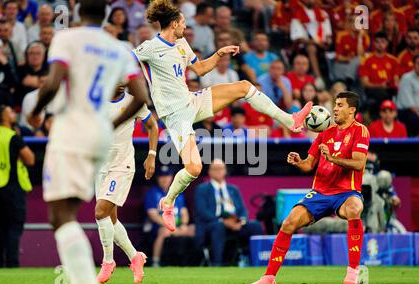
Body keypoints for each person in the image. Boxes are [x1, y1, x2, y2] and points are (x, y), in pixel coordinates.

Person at [132, 0, 313, 233]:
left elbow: (201, 69)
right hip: (175, 115)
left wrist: (219, 53)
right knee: (195, 168)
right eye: (183, 24)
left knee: (244, 87)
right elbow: (123, 63)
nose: (186, 28)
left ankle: (291, 119)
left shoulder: (181, 43)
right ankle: (167, 202)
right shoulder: (149, 48)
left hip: (191, 100)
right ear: (174, 23)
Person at [27, 0, 150, 284]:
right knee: (86, 214)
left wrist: (37, 112)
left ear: (79, 14)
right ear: (105, 15)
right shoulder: (119, 48)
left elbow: (54, 80)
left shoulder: (66, 38)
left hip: (73, 132)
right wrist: (109, 125)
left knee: (61, 215)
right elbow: (142, 96)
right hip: (99, 137)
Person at [249, 91, 370, 284]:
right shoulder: (325, 133)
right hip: (320, 192)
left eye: (340, 105)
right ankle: (269, 277)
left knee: (355, 208)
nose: (335, 109)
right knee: (289, 222)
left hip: (346, 192)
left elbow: (358, 163)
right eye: (335, 104)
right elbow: (308, 165)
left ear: (352, 110)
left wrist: (332, 159)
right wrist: (298, 162)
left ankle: (353, 272)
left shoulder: (360, 131)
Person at [94, 84, 158, 284]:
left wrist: (151, 155)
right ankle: (135, 257)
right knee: (110, 221)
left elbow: (152, 126)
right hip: (100, 166)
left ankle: (108, 262)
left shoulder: (134, 102)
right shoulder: (95, 99)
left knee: (100, 212)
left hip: (122, 166)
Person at [194, 159, 263, 266]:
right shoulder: (202, 189)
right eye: (215, 169)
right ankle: (217, 264)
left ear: (225, 171)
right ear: (209, 172)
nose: (218, 171)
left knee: (255, 225)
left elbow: (243, 210)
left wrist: (242, 221)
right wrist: (223, 221)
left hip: (236, 224)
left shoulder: (233, 189)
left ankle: (256, 262)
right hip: (213, 224)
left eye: (220, 168)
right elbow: (202, 211)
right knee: (219, 226)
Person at [0, 105, 34, 268]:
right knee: (13, 227)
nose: (14, 114)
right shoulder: (13, 137)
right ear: (3, 117)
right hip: (11, 187)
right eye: (10, 112)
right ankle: (12, 264)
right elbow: (30, 159)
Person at [143, 165, 194, 267]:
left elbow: (184, 212)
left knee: (193, 229)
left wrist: (184, 225)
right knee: (164, 232)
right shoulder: (151, 193)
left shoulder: (178, 192)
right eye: (161, 176)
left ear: (172, 177)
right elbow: (153, 215)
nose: (164, 179)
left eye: (167, 176)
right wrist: (170, 226)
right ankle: (156, 261)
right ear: (157, 178)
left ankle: (194, 262)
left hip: (178, 225)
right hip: (159, 227)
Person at [397, 54, 419, 136]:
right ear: (414, 65)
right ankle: (418, 138)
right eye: (418, 63)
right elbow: (409, 104)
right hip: (409, 112)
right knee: (416, 120)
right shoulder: (406, 78)